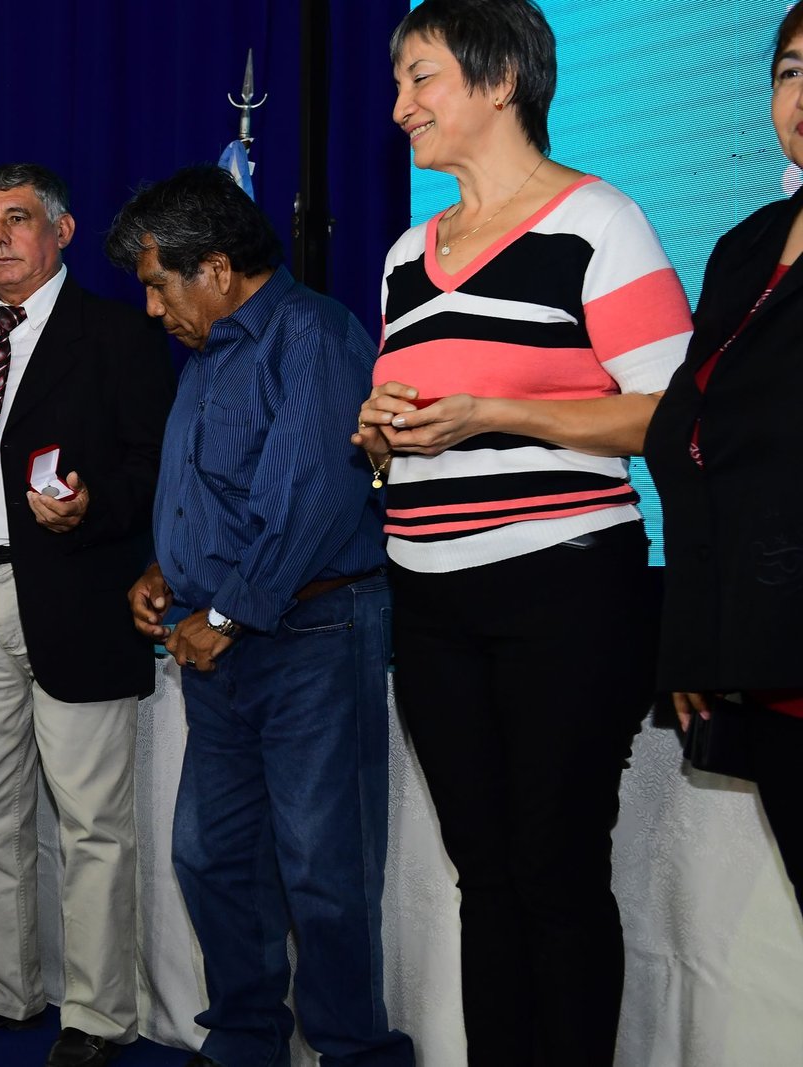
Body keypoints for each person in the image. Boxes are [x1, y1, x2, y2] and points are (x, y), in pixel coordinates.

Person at [355, 2, 691, 1063]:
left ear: (501, 79)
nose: (400, 106)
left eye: (421, 78)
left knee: (554, 871)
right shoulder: (405, 254)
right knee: (484, 873)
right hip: (427, 599)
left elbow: (673, 415)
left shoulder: (598, 221)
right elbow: (402, 434)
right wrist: (377, 434)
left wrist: (498, 413)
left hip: (564, 593)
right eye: (399, 83)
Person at [110, 165, 413, 1067]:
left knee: (323, 869)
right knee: (212, 856)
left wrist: (226, 612)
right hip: (226, 641)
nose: (153, 309)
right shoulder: (209, 355)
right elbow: (220, 494)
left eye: (159, 285)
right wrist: (165, 567)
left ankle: (355, 1052)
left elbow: (312, 496)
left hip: (311, 636)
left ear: (214, 267)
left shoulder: (310, 333)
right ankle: (245, 1043)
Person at [0, 162, 172, 1067]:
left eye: (18, 218)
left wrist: (92, 507)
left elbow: (153, 468)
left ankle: (96, 1015)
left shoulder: (117, 333)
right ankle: (2, 984)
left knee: (91, 824)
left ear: (60, 231)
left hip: (76, 595)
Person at [644, 4, 803, 910]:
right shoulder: (745, 247)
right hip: (770, 665)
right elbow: (691, 444)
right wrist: (694, 642)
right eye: (789, 71)